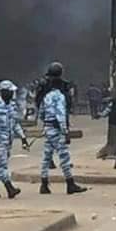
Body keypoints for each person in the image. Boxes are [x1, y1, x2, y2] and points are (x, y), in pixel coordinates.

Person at [39, 61, 87, 195]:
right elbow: (61, 115)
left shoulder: (46, 96)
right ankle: (70, 184)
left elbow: (41, 113)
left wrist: (46, 123)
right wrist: (65, 132)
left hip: (48, 128)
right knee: (64, 157)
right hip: (57, 129)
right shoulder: (60, 97)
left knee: (46, 157)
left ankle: (44, 184)